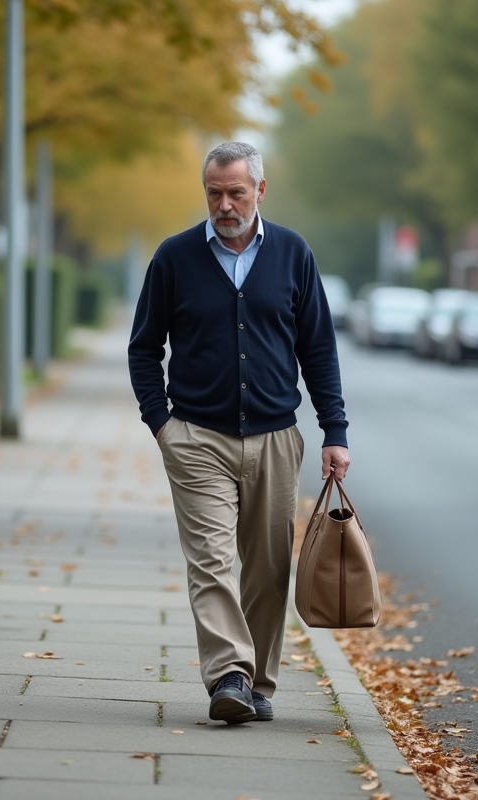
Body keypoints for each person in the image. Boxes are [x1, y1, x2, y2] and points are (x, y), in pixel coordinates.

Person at [128, 141, 350, 725]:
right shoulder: (174, 258)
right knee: (211, 559)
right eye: (214, 193)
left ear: (260, 190)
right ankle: (228, 674)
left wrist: (335, 430)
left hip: (277, 437)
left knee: (269, 568)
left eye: (236, 192)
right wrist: (162, 425)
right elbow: (144, 348)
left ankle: (258, 683)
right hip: (197, 437)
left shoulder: (293, 254)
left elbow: (318, 348)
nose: (224, 204)